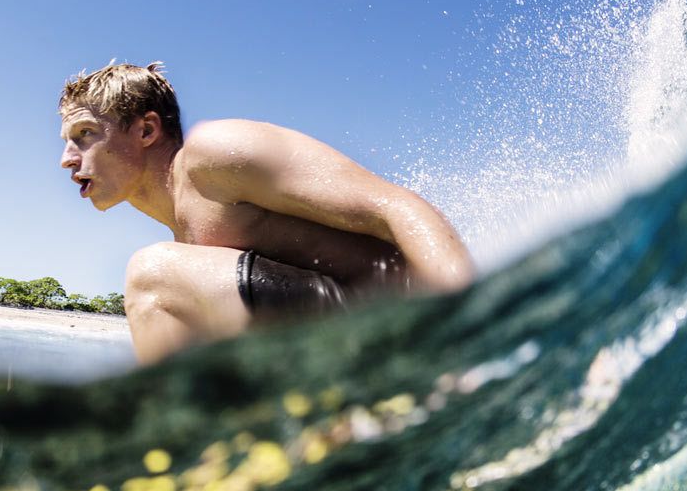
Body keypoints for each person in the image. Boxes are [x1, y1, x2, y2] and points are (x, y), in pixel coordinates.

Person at [59, 61, 474, 363]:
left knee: (152, 274)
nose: (66, 159)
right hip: (345, 342)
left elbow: (398, 206)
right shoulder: (187, 238)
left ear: (146, 130)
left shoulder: (214, 155)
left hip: (399, 326)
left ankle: (178, 453)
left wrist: (471, 324)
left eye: (84, 135)